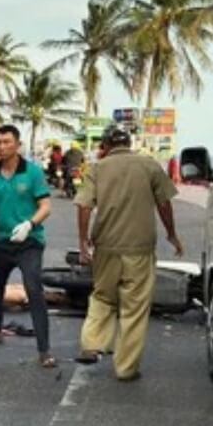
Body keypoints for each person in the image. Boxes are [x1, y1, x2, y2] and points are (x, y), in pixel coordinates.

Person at [75, 125, 184, 380]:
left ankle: (92, 342)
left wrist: (83, 242)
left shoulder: (97, 169)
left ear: (105, 146)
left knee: (103, 295)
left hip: (106, 246)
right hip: (140, 248)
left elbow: (83, 206)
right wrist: (172, 233)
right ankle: (125, 369)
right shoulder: (149, 166)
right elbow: (164, 203)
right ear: (129, 143)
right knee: (134, 307)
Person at [0, 125, 55, 367]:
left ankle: (44, 351)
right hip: (2, 241)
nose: (1, 146)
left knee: (33, 288)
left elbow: (45, 207)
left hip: (29, 241)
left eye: (7, 142)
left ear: (17, 145)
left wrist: (30, 224)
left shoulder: (33, 173)